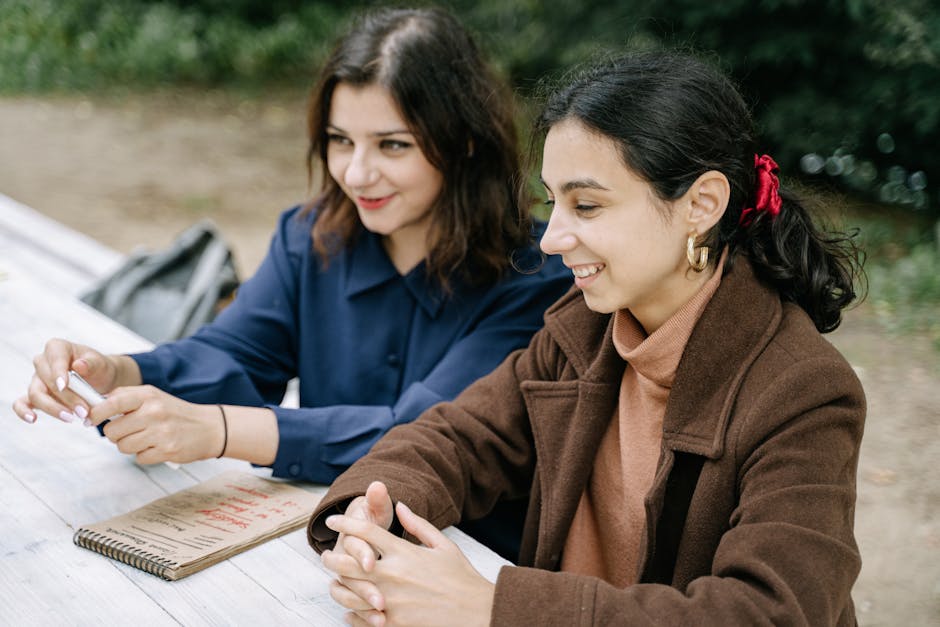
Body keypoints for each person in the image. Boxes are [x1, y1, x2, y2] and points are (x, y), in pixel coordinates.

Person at [306, 50, 867, 626]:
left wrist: (494, 607)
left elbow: (768, 612)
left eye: (587, 205)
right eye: (553, 202)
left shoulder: (805, 390)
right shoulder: (585, 326)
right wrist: (368, 517)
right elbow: (461, 437)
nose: (551, 239)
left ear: (701, 204)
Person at [12, 6, 570, 552]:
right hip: (319, 545)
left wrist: (221, 431)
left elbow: (424, 436)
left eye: (392, 144)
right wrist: (117, 372)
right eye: (339, 140)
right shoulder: (309, 238)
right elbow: (234, 354)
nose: (357, 173)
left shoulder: (540, 277)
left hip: (467, 560)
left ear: (465, 141)